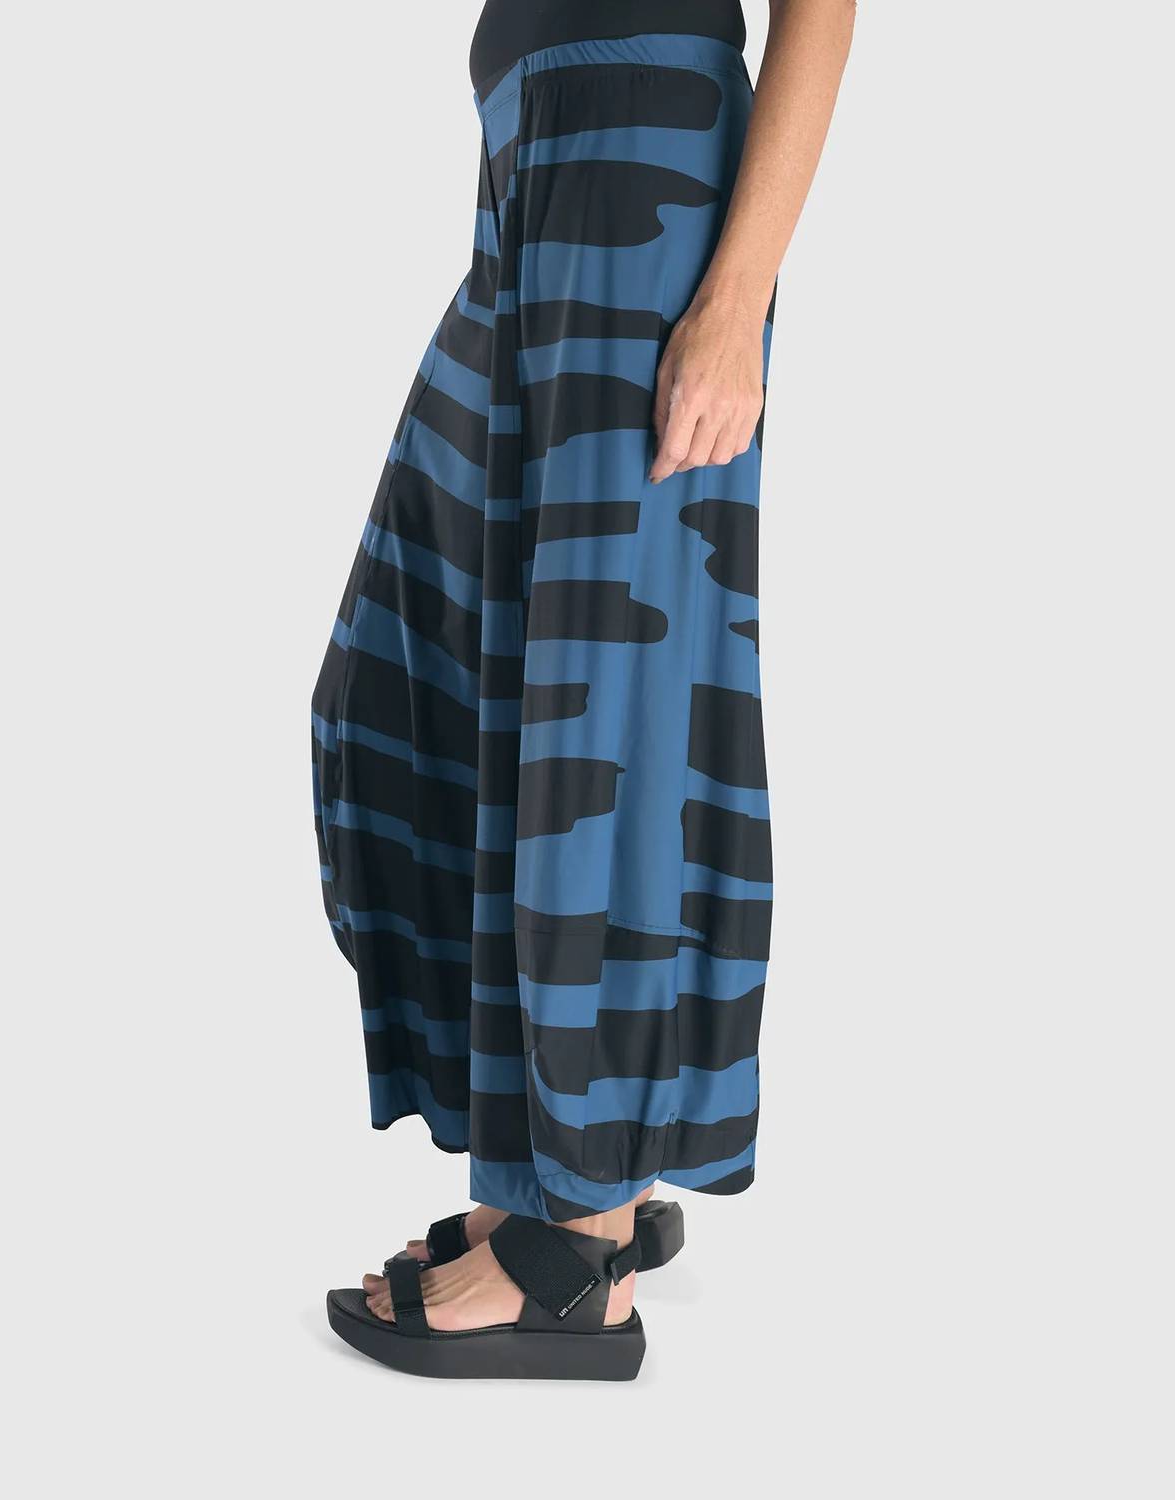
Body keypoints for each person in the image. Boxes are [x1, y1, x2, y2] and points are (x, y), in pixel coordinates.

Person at [312, 0, 854, 1380]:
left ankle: (582, 1245)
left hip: (640, 169)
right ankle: (541, 1168)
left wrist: (734, 305)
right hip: (527, 179)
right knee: (431, 671)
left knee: (608, 709)